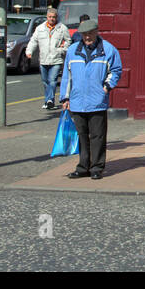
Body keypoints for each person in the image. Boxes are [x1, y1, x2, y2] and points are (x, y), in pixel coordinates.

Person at [60, 19, 123, 181]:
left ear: (96, 32)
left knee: (98, 136)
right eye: (84, 34)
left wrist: (107, 87)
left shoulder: (108, 50)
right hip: (77, 101)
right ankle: (82, 167)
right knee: (82, 136)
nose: (87, 37)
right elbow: (67, 76)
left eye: (90, 33)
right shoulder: (73, 50)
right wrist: (64, 97)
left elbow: (116, 70)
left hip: (97, 101)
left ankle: (97, 167)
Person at [26, 7, 70, 110]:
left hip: (56, 59)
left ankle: (50, 100)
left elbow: (68, 41)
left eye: (54, 17)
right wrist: (29, 51)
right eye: (50, 17)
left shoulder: (62, 28)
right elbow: (33, 40)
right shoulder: (40, 28)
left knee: (52, 80)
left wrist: (62, 49)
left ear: (56, 17)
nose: (52, 19)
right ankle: (47, 101)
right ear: (47, 17)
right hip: (43, 59)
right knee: (45, 81)